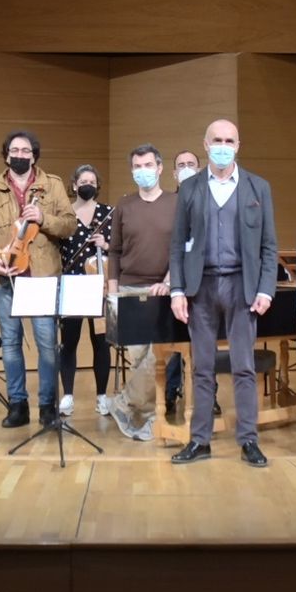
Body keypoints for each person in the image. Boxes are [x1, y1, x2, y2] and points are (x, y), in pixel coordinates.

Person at [168, 119, 277, 468]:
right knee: (202, 368)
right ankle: (200, 440)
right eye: (217, 139)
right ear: (205, 144)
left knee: (244, 367)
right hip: (201, 288)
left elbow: (269, 246)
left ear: (238, 145)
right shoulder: (190, 188)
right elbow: (177, 244)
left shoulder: (258, 188)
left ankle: (249, 440)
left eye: (229, 140)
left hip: (242, 286)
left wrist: (266, 289)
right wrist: (178, 290)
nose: (222, 145)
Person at [0, 130, 74, 428]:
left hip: (41, 277)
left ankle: (48, 406)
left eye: (26, 151)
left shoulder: (53, 185)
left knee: (47, 344)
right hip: (5, 277)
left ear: (34, 156)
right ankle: (17, 406)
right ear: (6, 154)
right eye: (14, 150)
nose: (20, 155)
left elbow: (70, 225)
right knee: (10, 343)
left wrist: (44, 219)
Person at [104, 145, 178, 440]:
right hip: (129, 290)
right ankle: (144, 418)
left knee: (163, 353)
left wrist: (171, 282)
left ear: (160, 168)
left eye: (148, 164)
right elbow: (114, 251)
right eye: (137, 166)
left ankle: (122, 403)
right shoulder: (124, 205)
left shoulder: (177, 203)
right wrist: (113, 294)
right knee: (139, 359)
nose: (142, 170)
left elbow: (181, 248)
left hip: (164, 290)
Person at [58, 164, 112, 417]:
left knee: (101, 342)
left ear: (97, 185)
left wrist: (107, 244)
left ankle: (102, 396)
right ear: (74, 185)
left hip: (99, 285)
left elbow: (122, 247)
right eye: (82, 180)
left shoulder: (108, 213)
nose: (87, 184)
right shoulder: (65, 213)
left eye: (91, 180)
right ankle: (68, 395)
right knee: (69, 341)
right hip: (72, 284)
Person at [165, 149, 203, 418]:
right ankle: (169, 392)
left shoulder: (208, 198)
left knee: (202, 344)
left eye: (191, 164)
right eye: (182, 165)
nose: (187, 168)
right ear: (174, 173)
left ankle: (206, 397)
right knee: (172, 343)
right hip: (171, 281)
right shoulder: (167, 203)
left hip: (202, 282)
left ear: (199, 169)